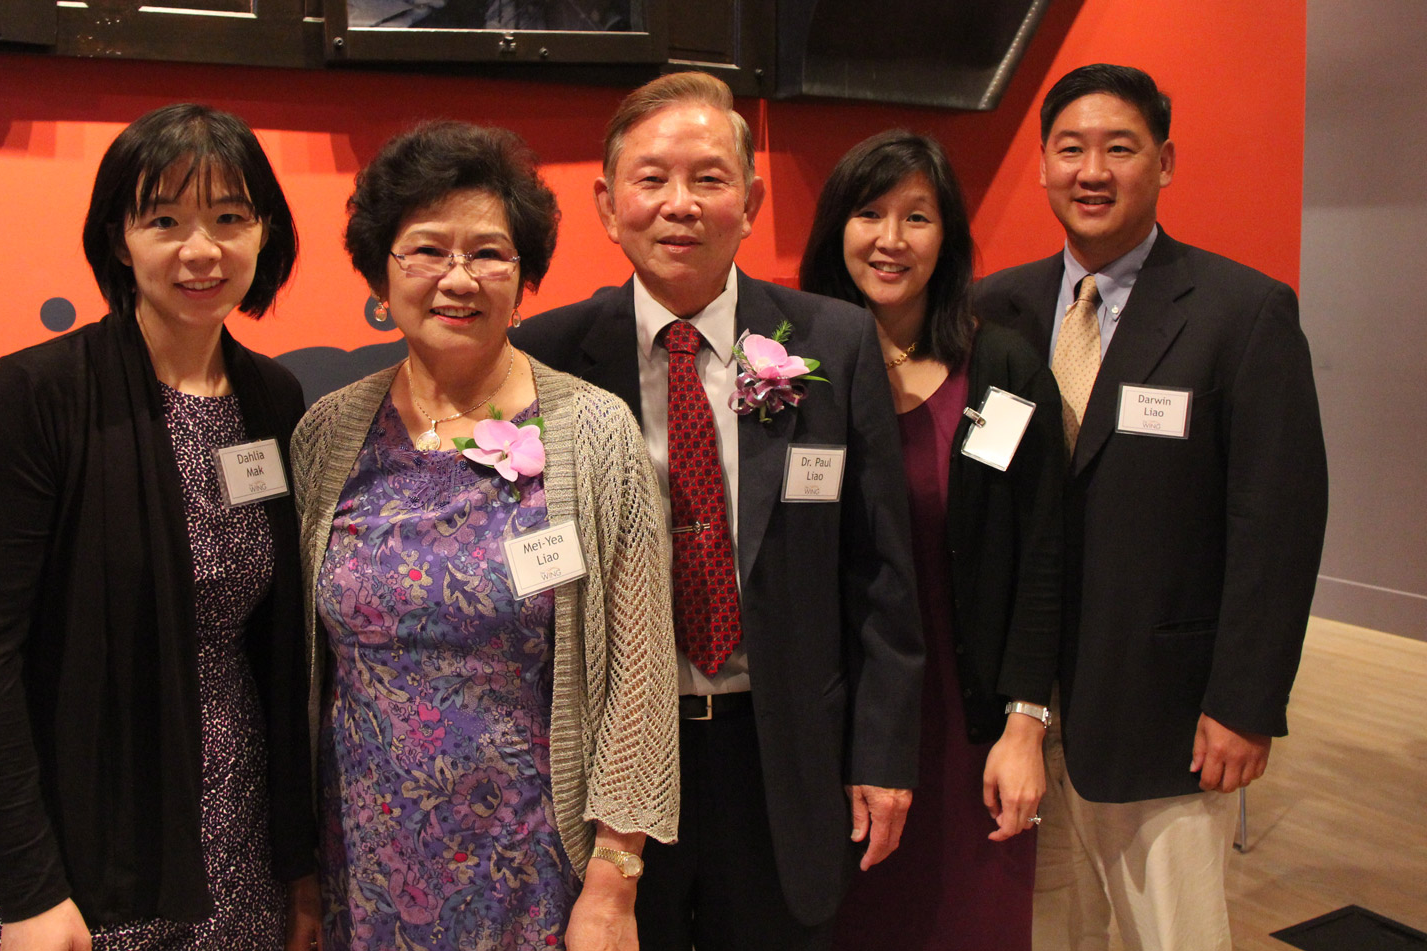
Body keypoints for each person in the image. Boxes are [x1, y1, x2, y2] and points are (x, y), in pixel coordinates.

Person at [511, 72, 924, 951]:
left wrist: (882, 755)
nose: (679, 205)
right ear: (606, 202)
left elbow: (880, 568)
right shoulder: (547, 360)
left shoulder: (834, 342)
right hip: (615, 767)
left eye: (708, 178)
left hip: (780, 753)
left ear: (751, 199)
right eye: (651, 178)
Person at [0, 103, 318, 949]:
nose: (200, 250)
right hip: (83, 837)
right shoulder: (38, 396)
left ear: (264, 233)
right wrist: (30, 888)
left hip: (236, 828)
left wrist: (299, 859)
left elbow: (279, 645)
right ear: (119, 239)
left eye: (228, 218)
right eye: (164, 220)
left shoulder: (274, 400)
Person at [291, 120, 679, 951]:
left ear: (524, 272)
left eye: (489, 254)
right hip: (361, 862)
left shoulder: (597, 432)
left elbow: (641, 679)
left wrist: (614, 883)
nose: (457, 279)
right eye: (427, 250)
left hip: (534, 865)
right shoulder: (328, 434)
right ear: (382, 271)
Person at [973, 64, 1328, 951]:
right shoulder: (995, 309)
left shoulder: (1242, 312)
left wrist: (1247, 700)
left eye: (1120, 149)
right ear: (1045, 165)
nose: (1093, 171)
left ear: (1164, 163)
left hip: (1165, 704)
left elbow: (1276, 523)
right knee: (1046, 926)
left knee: (1169, 933)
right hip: (1020, 698)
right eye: (1070, 149)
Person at [798, 130, 1064, 951]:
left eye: (917, 216)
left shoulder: (1003, 366)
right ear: (835, 226)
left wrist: (1025, 726)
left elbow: (1045, 552)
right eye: (869, 212)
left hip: (967, 720)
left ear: (946, 236)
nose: (890, 239)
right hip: (831, 721)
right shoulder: (783, 364)